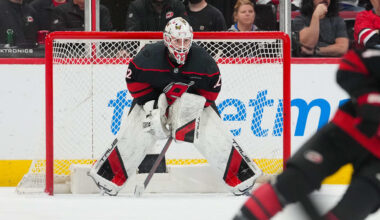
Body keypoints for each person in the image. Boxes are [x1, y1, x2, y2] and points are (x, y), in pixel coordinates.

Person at [88, 17, 262, 196]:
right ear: (166, 39)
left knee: (213, 135)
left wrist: (190, 108)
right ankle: (108, 178)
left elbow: (211, 92)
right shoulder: (149, 56)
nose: (181, 45)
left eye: (185, 40)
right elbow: (133, 82)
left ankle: (242, 178)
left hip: (191, 101)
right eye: (177, 40)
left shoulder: (203, 61)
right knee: (137, 133)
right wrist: (152, 105)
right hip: (154, 99)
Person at [234, 47, 380, 220]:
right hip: (345, 132)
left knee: (351, 210)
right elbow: (349, 65)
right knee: (290, 182)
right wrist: (370, 98)